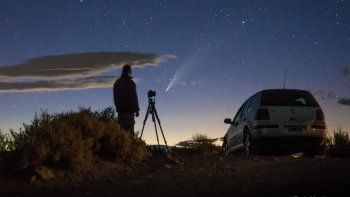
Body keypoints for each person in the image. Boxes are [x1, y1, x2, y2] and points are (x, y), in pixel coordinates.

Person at [113, 65, 140, 134]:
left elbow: (115, 97)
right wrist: (136, 110)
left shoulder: (117, 82)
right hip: (129, 112)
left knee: (121, 133)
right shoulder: (131, 83)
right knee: (130, 133)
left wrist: (118, 108)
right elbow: (134, 97)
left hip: (121, 112)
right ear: (129, 71)